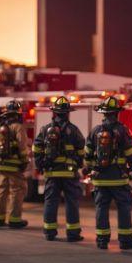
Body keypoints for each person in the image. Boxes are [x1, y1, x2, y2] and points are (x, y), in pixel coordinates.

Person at [84, 96, 132, 250]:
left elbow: (87, 153)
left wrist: (89, 168)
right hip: (118, 178)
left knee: (101, 208)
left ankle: (102, 240)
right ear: (117, 113)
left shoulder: (95, 131)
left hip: (100, 179)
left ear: (103, 113)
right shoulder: (122, 130)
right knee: (124, 208)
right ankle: (126, 240)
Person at [33, 96, 86, 242]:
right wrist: (79, 164)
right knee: (71, 202)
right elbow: (82, 149)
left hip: (51, 172)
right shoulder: (73, 130)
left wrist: (40, 164)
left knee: (51, 201)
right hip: (69, 173)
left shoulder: (45, 129)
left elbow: (36, 147)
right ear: (68, 113)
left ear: (55, 113)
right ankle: (73, 234)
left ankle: (50, 232)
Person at [0, 100, 30, 228]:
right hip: (14, 166)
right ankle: (14, 220)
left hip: (0, 164)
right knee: (16, 191)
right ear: (18, 114)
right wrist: (24, 161)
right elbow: (22, 146)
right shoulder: (18, 127)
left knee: (1, 190)